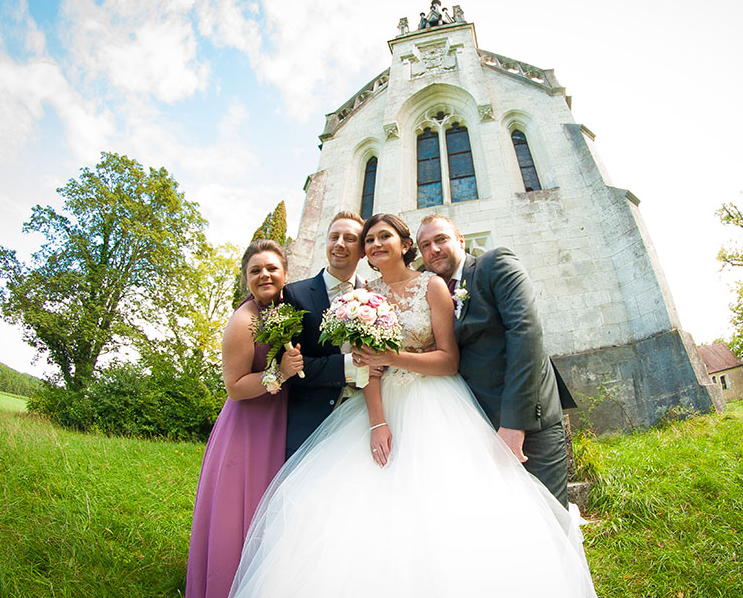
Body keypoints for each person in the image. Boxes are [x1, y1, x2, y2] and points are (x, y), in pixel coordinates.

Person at [229, 214, 596, 597]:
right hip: (380, 405)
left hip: (437, 401)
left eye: (384, 236)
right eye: (368, 240)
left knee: (450, 505)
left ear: (404, 245)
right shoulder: (362, 297)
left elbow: (448, 359)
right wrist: (376, 422)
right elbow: (365, 368)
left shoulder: (433, 286)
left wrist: (394, 357)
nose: (374, 245)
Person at [416, 214, 571, 506]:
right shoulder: (435, 293)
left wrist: (515, 423)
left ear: (460, 240)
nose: (433, 250)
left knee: (549, 519)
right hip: (478, 426)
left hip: (527, 420)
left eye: (441, 239)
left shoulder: (495, 264)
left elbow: (525, 334)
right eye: (425, 245)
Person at [185, 240, 304, 598]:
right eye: (255, 270)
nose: (264, 275)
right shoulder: (244, 320)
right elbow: (234, 386)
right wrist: (280, 374)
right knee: (239, 511)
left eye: (271, 268)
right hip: (247, 428)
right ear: (246, 279)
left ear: (285, 273)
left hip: (275, 419)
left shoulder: (283, 309)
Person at [281, 211, 365, 459]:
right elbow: (292, 368)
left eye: (349, 238)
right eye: (334, 237)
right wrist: (350, 366)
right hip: (311, 424)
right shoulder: (296, 295)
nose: (339, 244)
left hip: (363, 422)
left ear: (362, 250)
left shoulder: (374, 295)